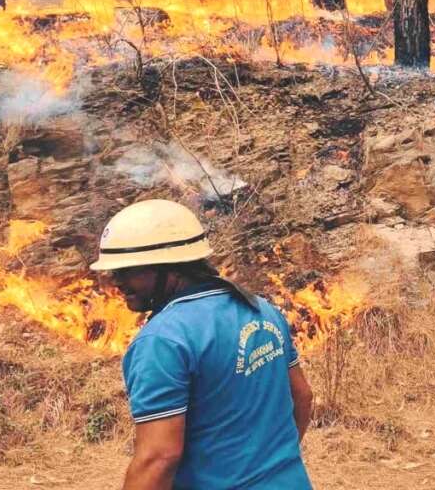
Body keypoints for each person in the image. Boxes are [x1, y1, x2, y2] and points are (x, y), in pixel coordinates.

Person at [91, 199, 314, 490]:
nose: (116, 281)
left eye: (127, 270)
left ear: (169, 267)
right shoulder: (262, 309)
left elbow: (158, 458)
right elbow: (303, 397)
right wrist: (267, 469)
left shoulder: (163, 340)